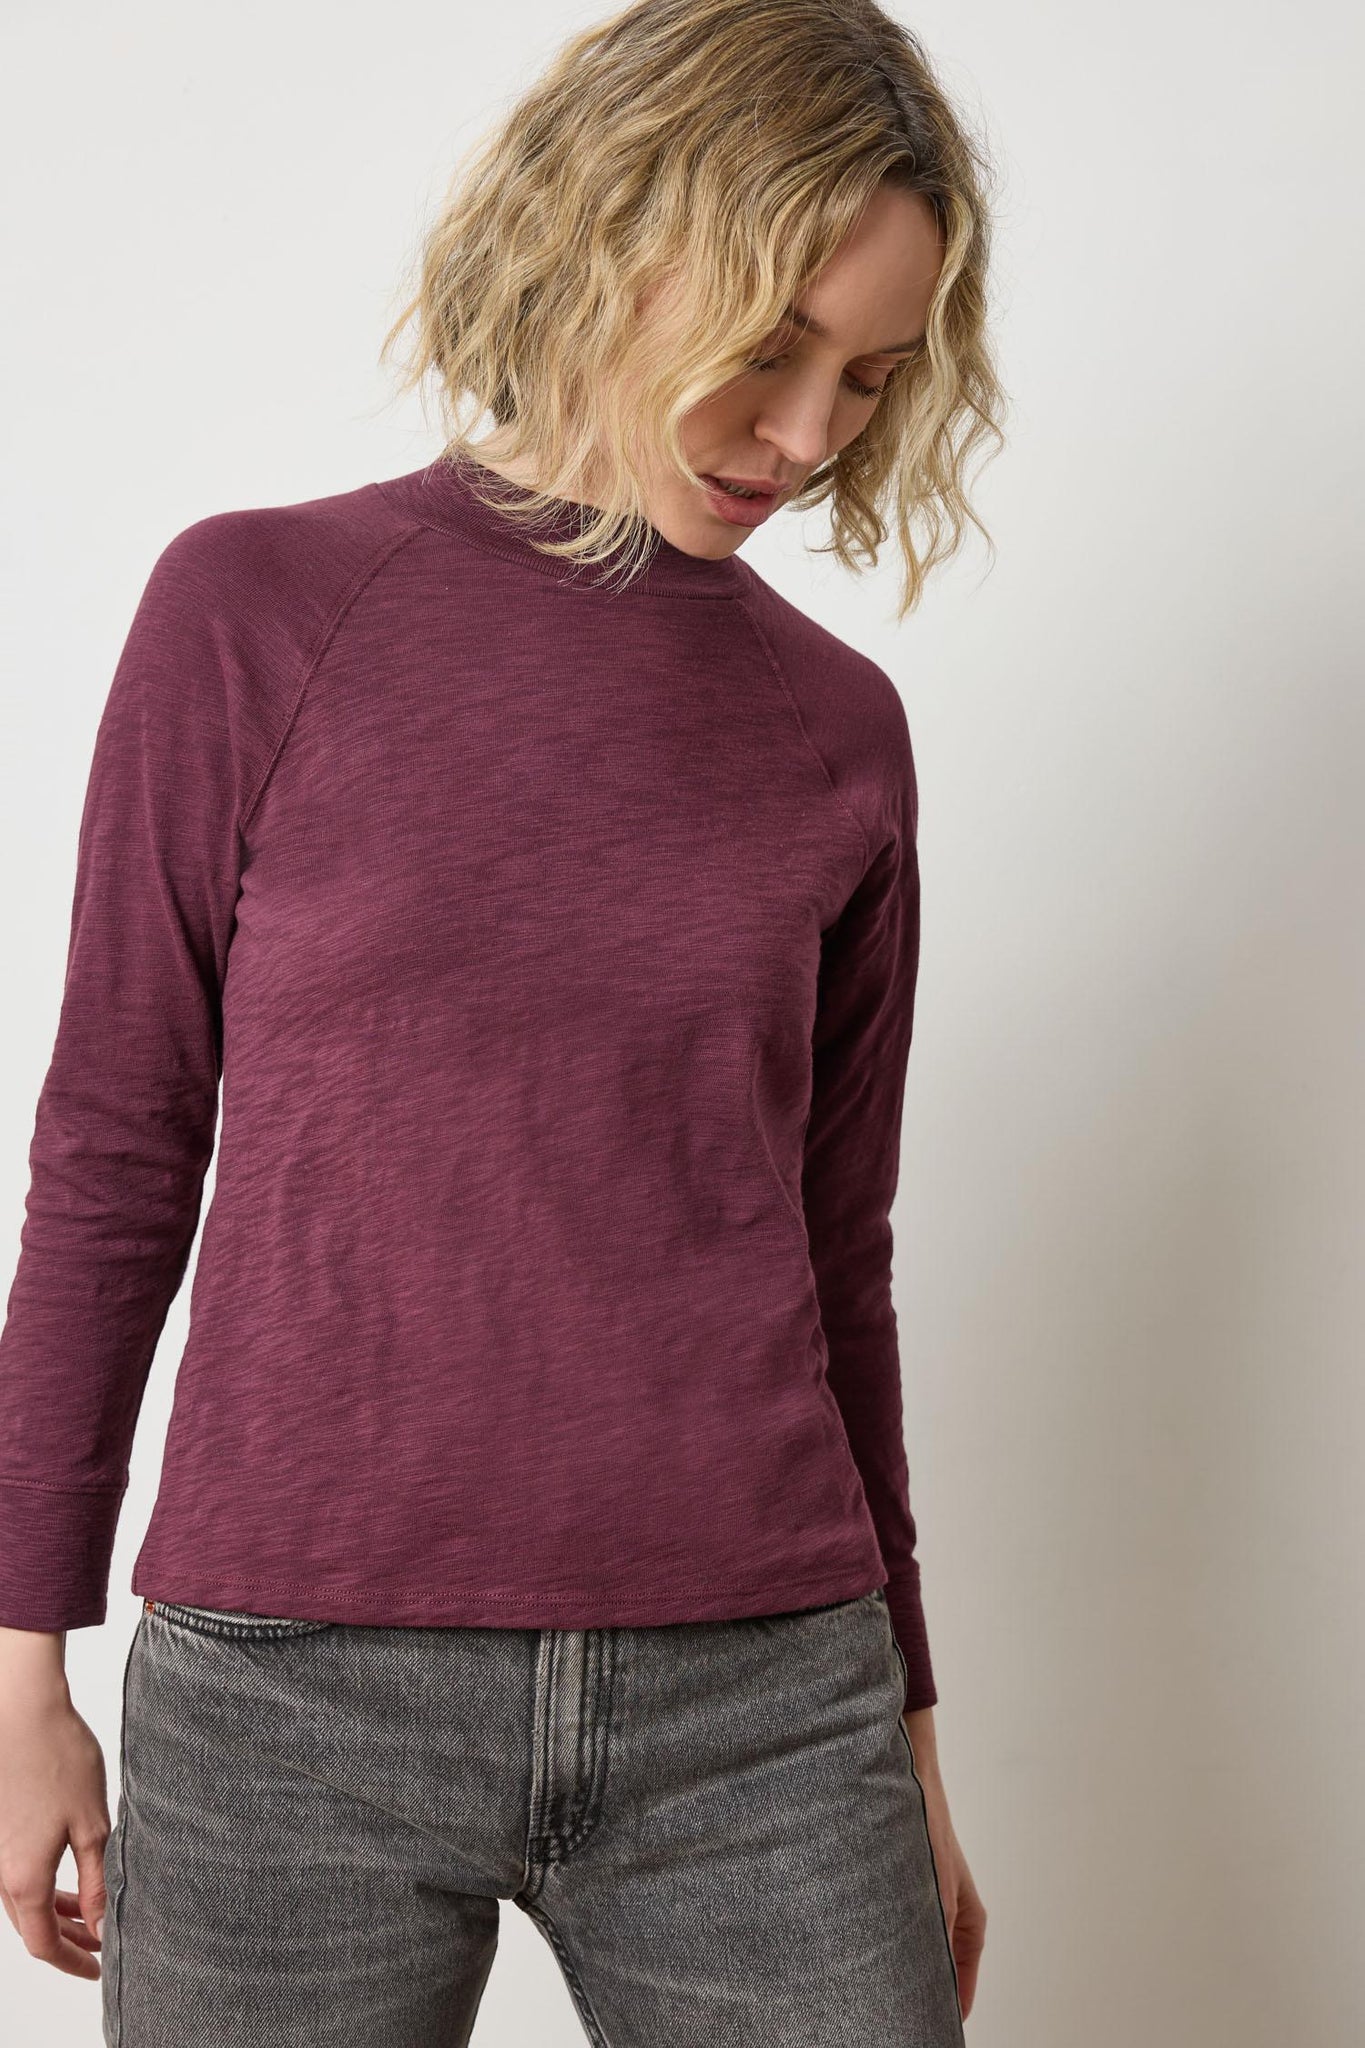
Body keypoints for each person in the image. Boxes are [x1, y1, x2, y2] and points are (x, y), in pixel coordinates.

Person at [0, 1, 1004, 2040]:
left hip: (762, 1705)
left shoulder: (839, 732)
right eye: (771, 347)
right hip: (287, 1698)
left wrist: (902, 1732)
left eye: (868, 378)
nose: (806, 434)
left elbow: (836, 1261)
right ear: (604, 239)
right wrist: (22, 1671)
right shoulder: (255, 615)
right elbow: (114, 1152)